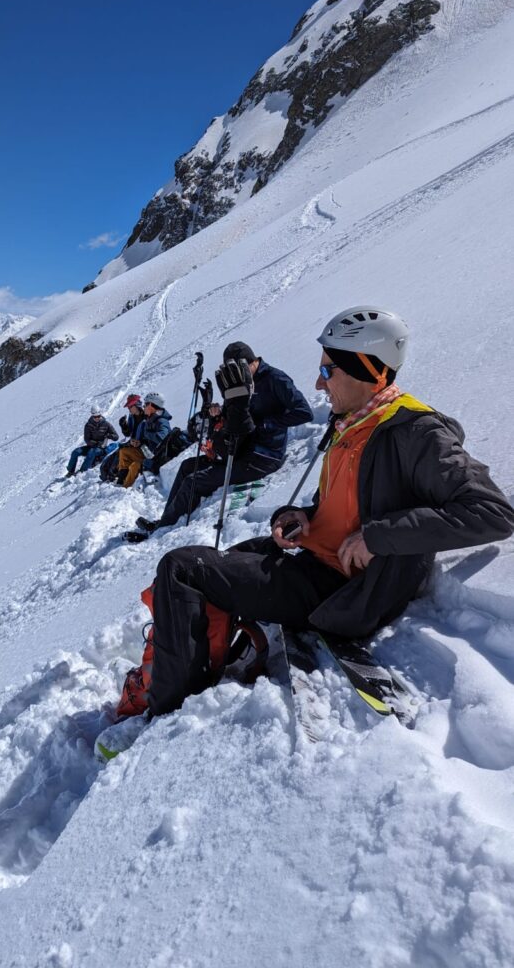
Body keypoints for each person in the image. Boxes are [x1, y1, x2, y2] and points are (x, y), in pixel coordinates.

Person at [116, 306, 514, 719]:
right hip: (313, 559)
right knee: (213, 562)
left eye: (328, 372)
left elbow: (492, 512)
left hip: (338, 586)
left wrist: (379, 536)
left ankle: (162, 702)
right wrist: (303, 517)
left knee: (181, 569)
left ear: (365, 369)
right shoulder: (354, 423)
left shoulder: (414, 432)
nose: (318, 383)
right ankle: (185, 660)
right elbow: (342, 504)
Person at [124, 342, 312, 542]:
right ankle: (165, 519)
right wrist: (220, 412)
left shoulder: (275, 379)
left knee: (194, 481)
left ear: (249, 362)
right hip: (241, 448)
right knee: (188, 467)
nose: (237, 375)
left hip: (263, 456)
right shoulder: (243, 383)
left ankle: (161, 531)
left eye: (238, 370)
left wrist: (266, 424)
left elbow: (304, 412)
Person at [116, 392, 172, 488]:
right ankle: (121, 479)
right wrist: (140, 442)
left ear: (150, 405)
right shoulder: (151, 418)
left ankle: (125, 488)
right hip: (148, 452)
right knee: (124, 452)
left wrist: (146, 435)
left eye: (145, 404)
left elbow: (162, 438)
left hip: (156, 458)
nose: (143, 406)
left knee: (135, 465)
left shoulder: (161, 421)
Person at [100, 394, 144, 483]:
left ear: (137, 405)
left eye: (130, 406)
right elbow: (128, 433)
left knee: (120, 454)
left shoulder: (146, 418)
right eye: (128, 406)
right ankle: (106, 475)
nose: (129, 408)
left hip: (140, 446)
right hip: (131, 442)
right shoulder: (132, 416)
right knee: (112, 457)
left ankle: (114, 476)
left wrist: (139, 442)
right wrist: (124, 425)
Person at [65, 406, 119, 476]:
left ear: (100, 415)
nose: (97, 418)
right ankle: (70, 471)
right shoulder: (88, 425)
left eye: (98, 416)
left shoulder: (106, 424)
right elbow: (87, 439)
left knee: (91, 452)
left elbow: (116, 437)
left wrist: (109, 435)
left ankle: (82, 471)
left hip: (101, 448)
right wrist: (94, 443)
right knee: (75, 452)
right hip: (91, 446)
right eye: (95, 417)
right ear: (92, 415)